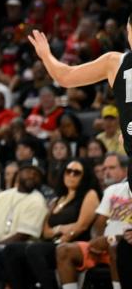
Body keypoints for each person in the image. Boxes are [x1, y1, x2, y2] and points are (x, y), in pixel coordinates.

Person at [29, 21, 132, 180]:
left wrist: (46, 55)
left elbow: (65, 77)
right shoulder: (115, 63)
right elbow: (66, 77)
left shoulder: (115, 62)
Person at [0, 159, 101, 288]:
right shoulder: (58, 199)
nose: (71, 175)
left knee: (34, 250)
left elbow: (82, 226)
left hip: (75, 244)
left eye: (76, 172)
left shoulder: (89, 194)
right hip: (54, 243)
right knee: (11, 250)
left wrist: (64, 236)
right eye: (68, 171)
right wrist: (60, 228)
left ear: (85, 175)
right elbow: (45, 230)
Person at [54, 153, 132, 289]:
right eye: (104, 168)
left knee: (115, 246)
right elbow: (98, 224)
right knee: (63, 250)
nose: (106, 172)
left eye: (112, 168)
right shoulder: (112, 190)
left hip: (123, 245)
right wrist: (96, 241)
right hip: (104, 244)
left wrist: (111, 240)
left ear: (126, 170)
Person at [0, 161, 50, 288]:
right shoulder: (3, 195)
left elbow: (23, 235)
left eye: (36, 174)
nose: (32, 176)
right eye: (28, 171)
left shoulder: (37, 201)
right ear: (19, 174)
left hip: (18, 250)